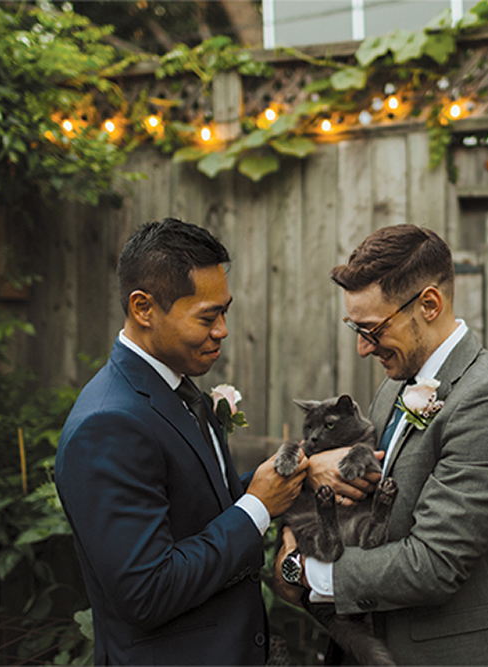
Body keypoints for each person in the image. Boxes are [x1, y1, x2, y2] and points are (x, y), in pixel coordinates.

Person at [274, 224, 488, 664]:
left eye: (372, 329)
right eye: (354, 328)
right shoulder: (395, 386)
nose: (363, 348)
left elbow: (434, 563)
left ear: (429, 304)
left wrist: (304, 571)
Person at [56, 217, 308, 665]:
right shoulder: (108, 423)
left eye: (225, 311)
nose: (223, 330)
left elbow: (198, 507)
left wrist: (297, 477)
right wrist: (258, 508)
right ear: (143, 309)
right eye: (208, 317)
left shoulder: (174, 387)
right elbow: (148, 590)